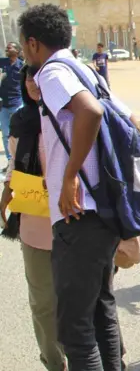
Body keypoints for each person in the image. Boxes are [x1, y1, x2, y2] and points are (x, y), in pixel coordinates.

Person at [19, 3, 133, 371]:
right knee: (100, 312)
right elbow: (127, 117)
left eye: (22, 45)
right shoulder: (84, 67)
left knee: (73, 329)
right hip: (104, 210)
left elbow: (92, 113)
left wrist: (70, 176)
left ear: (33, 43)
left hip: (79, 215)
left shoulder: (52, 71)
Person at [0, 65, 66, 371]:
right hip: (35, 223)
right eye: (28, 76)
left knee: (80, 302)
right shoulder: (22, 119)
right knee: (42, 304)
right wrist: (5, 199)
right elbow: (14, 163)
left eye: (39, 75)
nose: (33, 82)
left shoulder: (74, 116)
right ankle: (54, 363)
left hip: (74, 224)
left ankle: (85, 357)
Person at [0, 41, 24, 166]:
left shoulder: (22, 66)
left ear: (17, 50)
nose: (7, 49)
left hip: (17, 104)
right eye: (7, 47)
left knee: (17, 133)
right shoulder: (2, 62)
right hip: (4, 105)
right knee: (5, 134)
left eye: (10, 47)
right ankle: (10, 161)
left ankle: (19, 160)